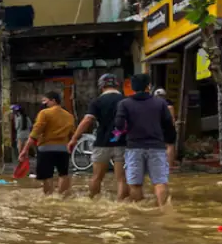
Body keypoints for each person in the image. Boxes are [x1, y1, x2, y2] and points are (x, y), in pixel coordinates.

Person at [113, 74, 175, 208]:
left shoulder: (124, 104)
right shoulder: (160, 103)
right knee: (160, 182)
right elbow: (169, 125)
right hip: (157, 147)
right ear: (148, 86)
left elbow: (118, 125)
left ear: (132, 88)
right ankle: (164, 212)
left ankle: (140, 214)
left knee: (135, 184)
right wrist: (170, 142)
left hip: (134, 147)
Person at [68, 74, 129, 201]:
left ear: (101, 86)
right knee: (122, 179)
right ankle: (121, 206)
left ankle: (93, 202)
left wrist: (74, 138)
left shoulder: (97, 102)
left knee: (96, 177)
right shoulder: (126, 101)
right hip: (122, 143)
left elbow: (87, 120)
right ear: (117, 85)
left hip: (102, 143)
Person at [19, 91, 75, 196]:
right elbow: (72, 134)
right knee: (63, 174)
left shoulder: (44, 113)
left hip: (46, 149)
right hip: (63, 149)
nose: (44, 104)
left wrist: (25, 150)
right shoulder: (69, 116)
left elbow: (35, 133)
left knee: (47, 176)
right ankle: (61, 197)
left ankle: (49, 197)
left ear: (53, 100)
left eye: (45, 101)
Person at [152, 88, 177, 166]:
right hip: (168, 127)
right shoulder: (168, 104)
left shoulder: (152, 104)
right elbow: (172, 118)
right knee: (170, 146)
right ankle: (169, 165)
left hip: (156, 128)